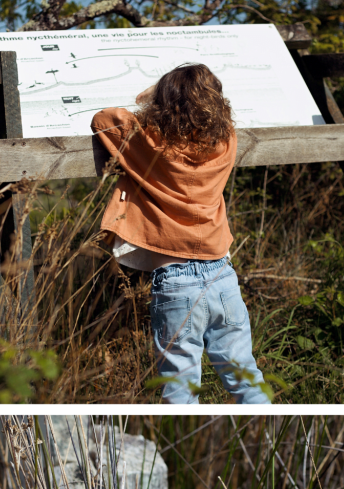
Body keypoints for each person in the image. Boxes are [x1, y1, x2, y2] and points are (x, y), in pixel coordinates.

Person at [90, 63, 271, 404]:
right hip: (222, 273)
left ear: (164, 103)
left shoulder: (151, 143)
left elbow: (103, 120)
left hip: (176, 280)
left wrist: (150, 99)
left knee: (180, 385)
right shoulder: (225, 140)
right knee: (245, 375)